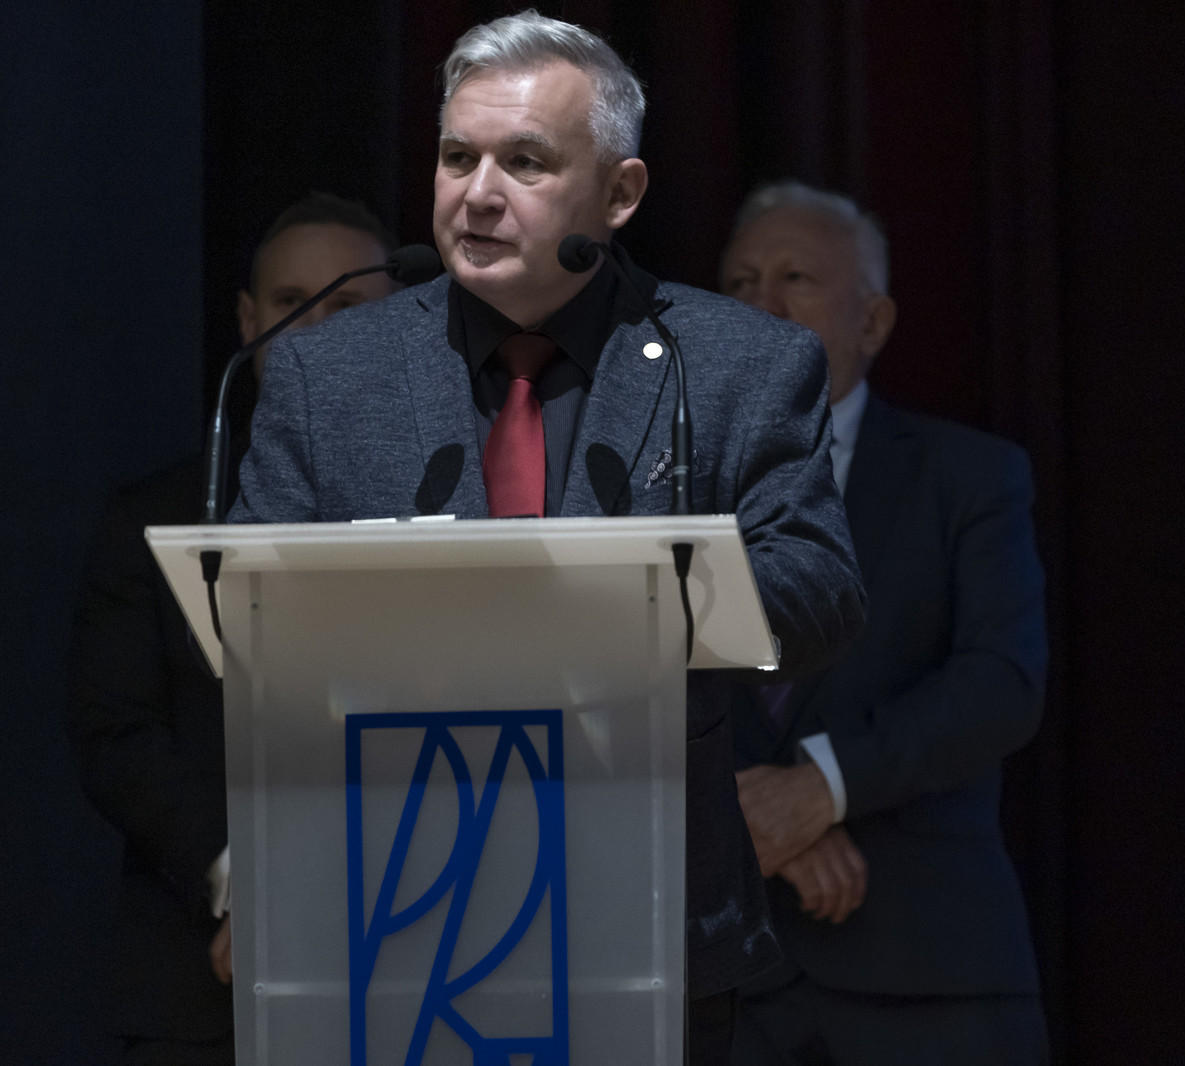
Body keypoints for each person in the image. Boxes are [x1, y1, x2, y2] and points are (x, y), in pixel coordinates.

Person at [228, 12, 865, 1065]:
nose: (477, 193)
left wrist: (645, 602)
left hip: (647, 914)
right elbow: (245, 614)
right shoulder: (328, 374)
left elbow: (819, 588)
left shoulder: (733, 365)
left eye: (524, 162)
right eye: (456, 157)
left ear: (618, 193)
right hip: (390, 909)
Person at [719, 182, 1050, 1065]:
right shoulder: (659, 488)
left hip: (927, 968)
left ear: (873, 321)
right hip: (726, 981)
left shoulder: (969, 478)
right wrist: (753, 821)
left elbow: (1001, 683)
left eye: (796, 278)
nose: (762, 304)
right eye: (740, 282)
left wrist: (823, 787)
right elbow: (617, 687)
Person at [67, 191, 399, 1065]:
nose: (316, 331)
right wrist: (246, 876)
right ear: (248, 322)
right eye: (291, 304)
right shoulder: (154, 517)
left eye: (347, 306)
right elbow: (117, 734)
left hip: (427, 960)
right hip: (200, 981)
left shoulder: (468, 511)